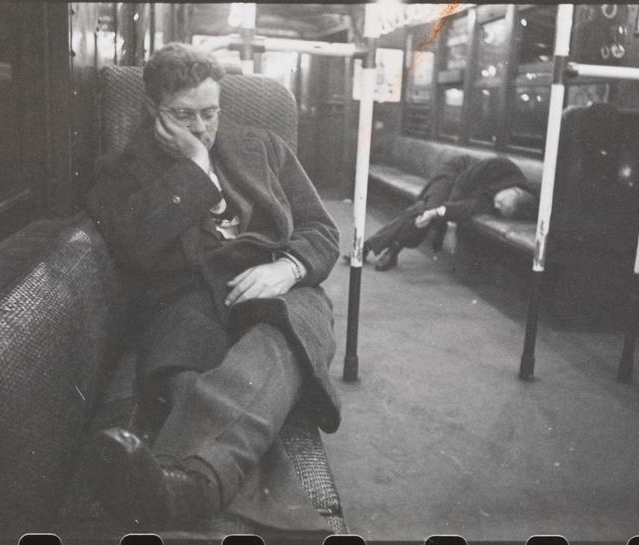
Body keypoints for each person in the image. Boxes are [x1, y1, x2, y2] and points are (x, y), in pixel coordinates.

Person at [83, 43, 340, 529]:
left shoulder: (265, 147)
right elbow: (132, 246)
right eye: (183, 115)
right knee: (191, 381)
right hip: (189, 304)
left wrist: (288, 268)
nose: (201, 127)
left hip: (281, 293)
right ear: (152, 109)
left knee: (283, 335)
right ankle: (191, 486)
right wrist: (195, 168)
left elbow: (321, 230)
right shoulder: (120, 172)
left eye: (210, 113)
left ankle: (186, 482)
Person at [359, 155, 537, 271]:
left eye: (499, 209)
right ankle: (390, 249)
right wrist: (444, 219)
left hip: (463, 189)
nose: (496, 207)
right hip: (457, 170)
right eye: (500, 203)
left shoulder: (501, 202)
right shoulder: (503, 166)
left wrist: (440, 213)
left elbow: (470, 206)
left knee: (425, 211)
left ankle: (381, 247)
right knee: (430, 208)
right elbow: (464, 182)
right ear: (513, 191)